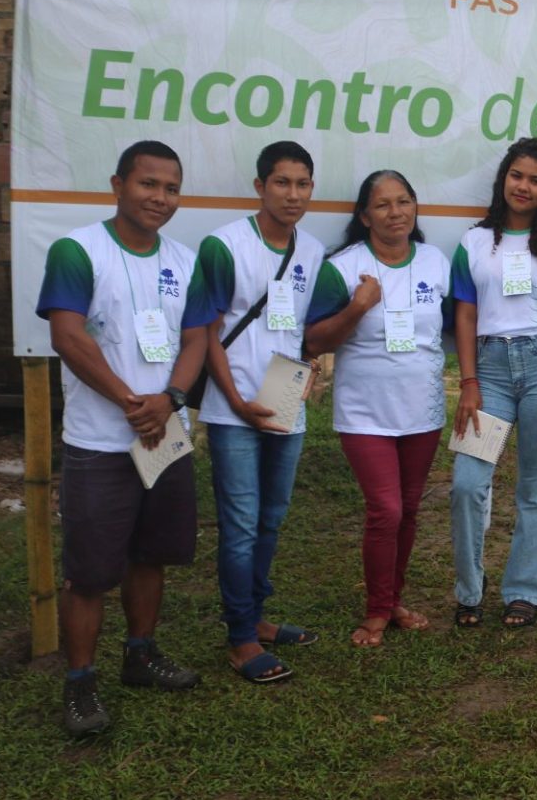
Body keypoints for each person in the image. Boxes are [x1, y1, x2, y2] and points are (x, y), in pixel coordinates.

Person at [36, 140, 214, 737]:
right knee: (89, 573)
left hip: (166, 437)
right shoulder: (77, 251)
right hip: (99, 443)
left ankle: (140, 654)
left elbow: (196, 339)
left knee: (152, 553)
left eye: (171, 188)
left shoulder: (185, 261)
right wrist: (130, 402)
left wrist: (171, 399)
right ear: (118, 185)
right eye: (148, 184)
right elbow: (68, 336)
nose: (160, 197)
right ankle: (80, 684)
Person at [197, 141, 348, 683]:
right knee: (240, 525)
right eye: (282, 182)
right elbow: (206, 332)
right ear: (260, 186)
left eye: (303, 184)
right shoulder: (224, 246)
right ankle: (240, 638)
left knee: (271, 518)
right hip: (233, 407)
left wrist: (310, 367)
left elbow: (312, 329)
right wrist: (235, 400)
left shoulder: (312, 252)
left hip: (285, 403)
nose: (293, 194)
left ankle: (256, 616)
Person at [449, 137, 537, 628]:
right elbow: (465, 316)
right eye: (517, 176)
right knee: (467, 484)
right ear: (503, 179)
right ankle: (469, 592)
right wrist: (468, 381)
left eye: (536, 180)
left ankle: (525, 591)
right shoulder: (474, 242)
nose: (524, 187)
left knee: (533, 487)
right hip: (488, 370)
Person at [305, 170, 450, 647]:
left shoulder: (434, 261)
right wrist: (357, 307)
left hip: (423, 409)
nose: (396, 212)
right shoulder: (344, 268)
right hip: (365, 411)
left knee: (408, 510)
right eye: (383, 205)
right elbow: (314, 340)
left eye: (404, 201)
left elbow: (454, 324)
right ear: (365, 217)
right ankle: (375, 611)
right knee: (385, 511)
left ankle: (393, 601)